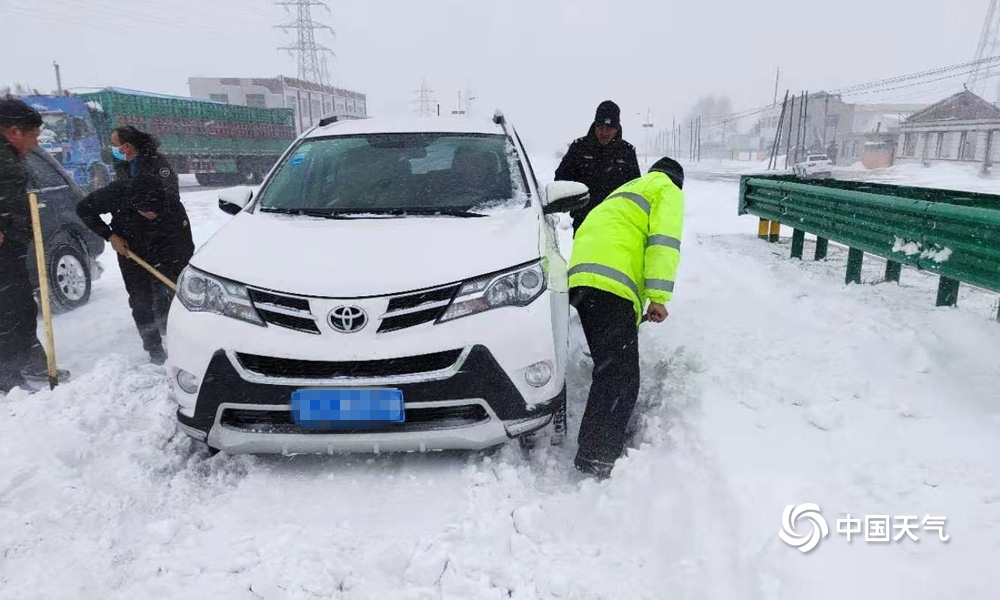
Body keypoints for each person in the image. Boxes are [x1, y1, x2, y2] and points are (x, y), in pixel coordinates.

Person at [567, 157, 685, 479]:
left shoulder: (630, 189)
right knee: (620, 376)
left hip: (582, 278)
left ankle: (594, 448)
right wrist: (658, 297)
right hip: (611, 282)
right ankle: (597, 456)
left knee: (609, 366)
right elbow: (664, 243)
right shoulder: (667, 189)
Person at [76, 125, 194, 365]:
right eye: (146, 211)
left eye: (155, 211)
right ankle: (154, 350)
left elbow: (180, 227)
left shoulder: (163, 183)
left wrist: (180, 255)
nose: (151, 214)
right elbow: (84, 209)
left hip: (166, 244)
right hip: (131, 248)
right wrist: (110, 236)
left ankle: (182, 338)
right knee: (140, 299)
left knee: (174, 291)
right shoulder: (120, 190)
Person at [0, 98, 56, 392]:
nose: (35, 143)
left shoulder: (9, 156)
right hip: (4, 250)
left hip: (11, 246)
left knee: (18, 308)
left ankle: (24, 364)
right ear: (14, 131)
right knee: (11, 311)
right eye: (33, 135)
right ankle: (7, 380)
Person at [555, 100, 641, 235]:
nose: (604, 133)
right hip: (585, 223)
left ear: (617, 128)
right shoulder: (579, 148)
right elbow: (560, 181)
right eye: (600, 127)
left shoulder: (627, 152)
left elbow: (636, 191)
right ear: (595, 125)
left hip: (617, 225)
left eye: (609, 128)